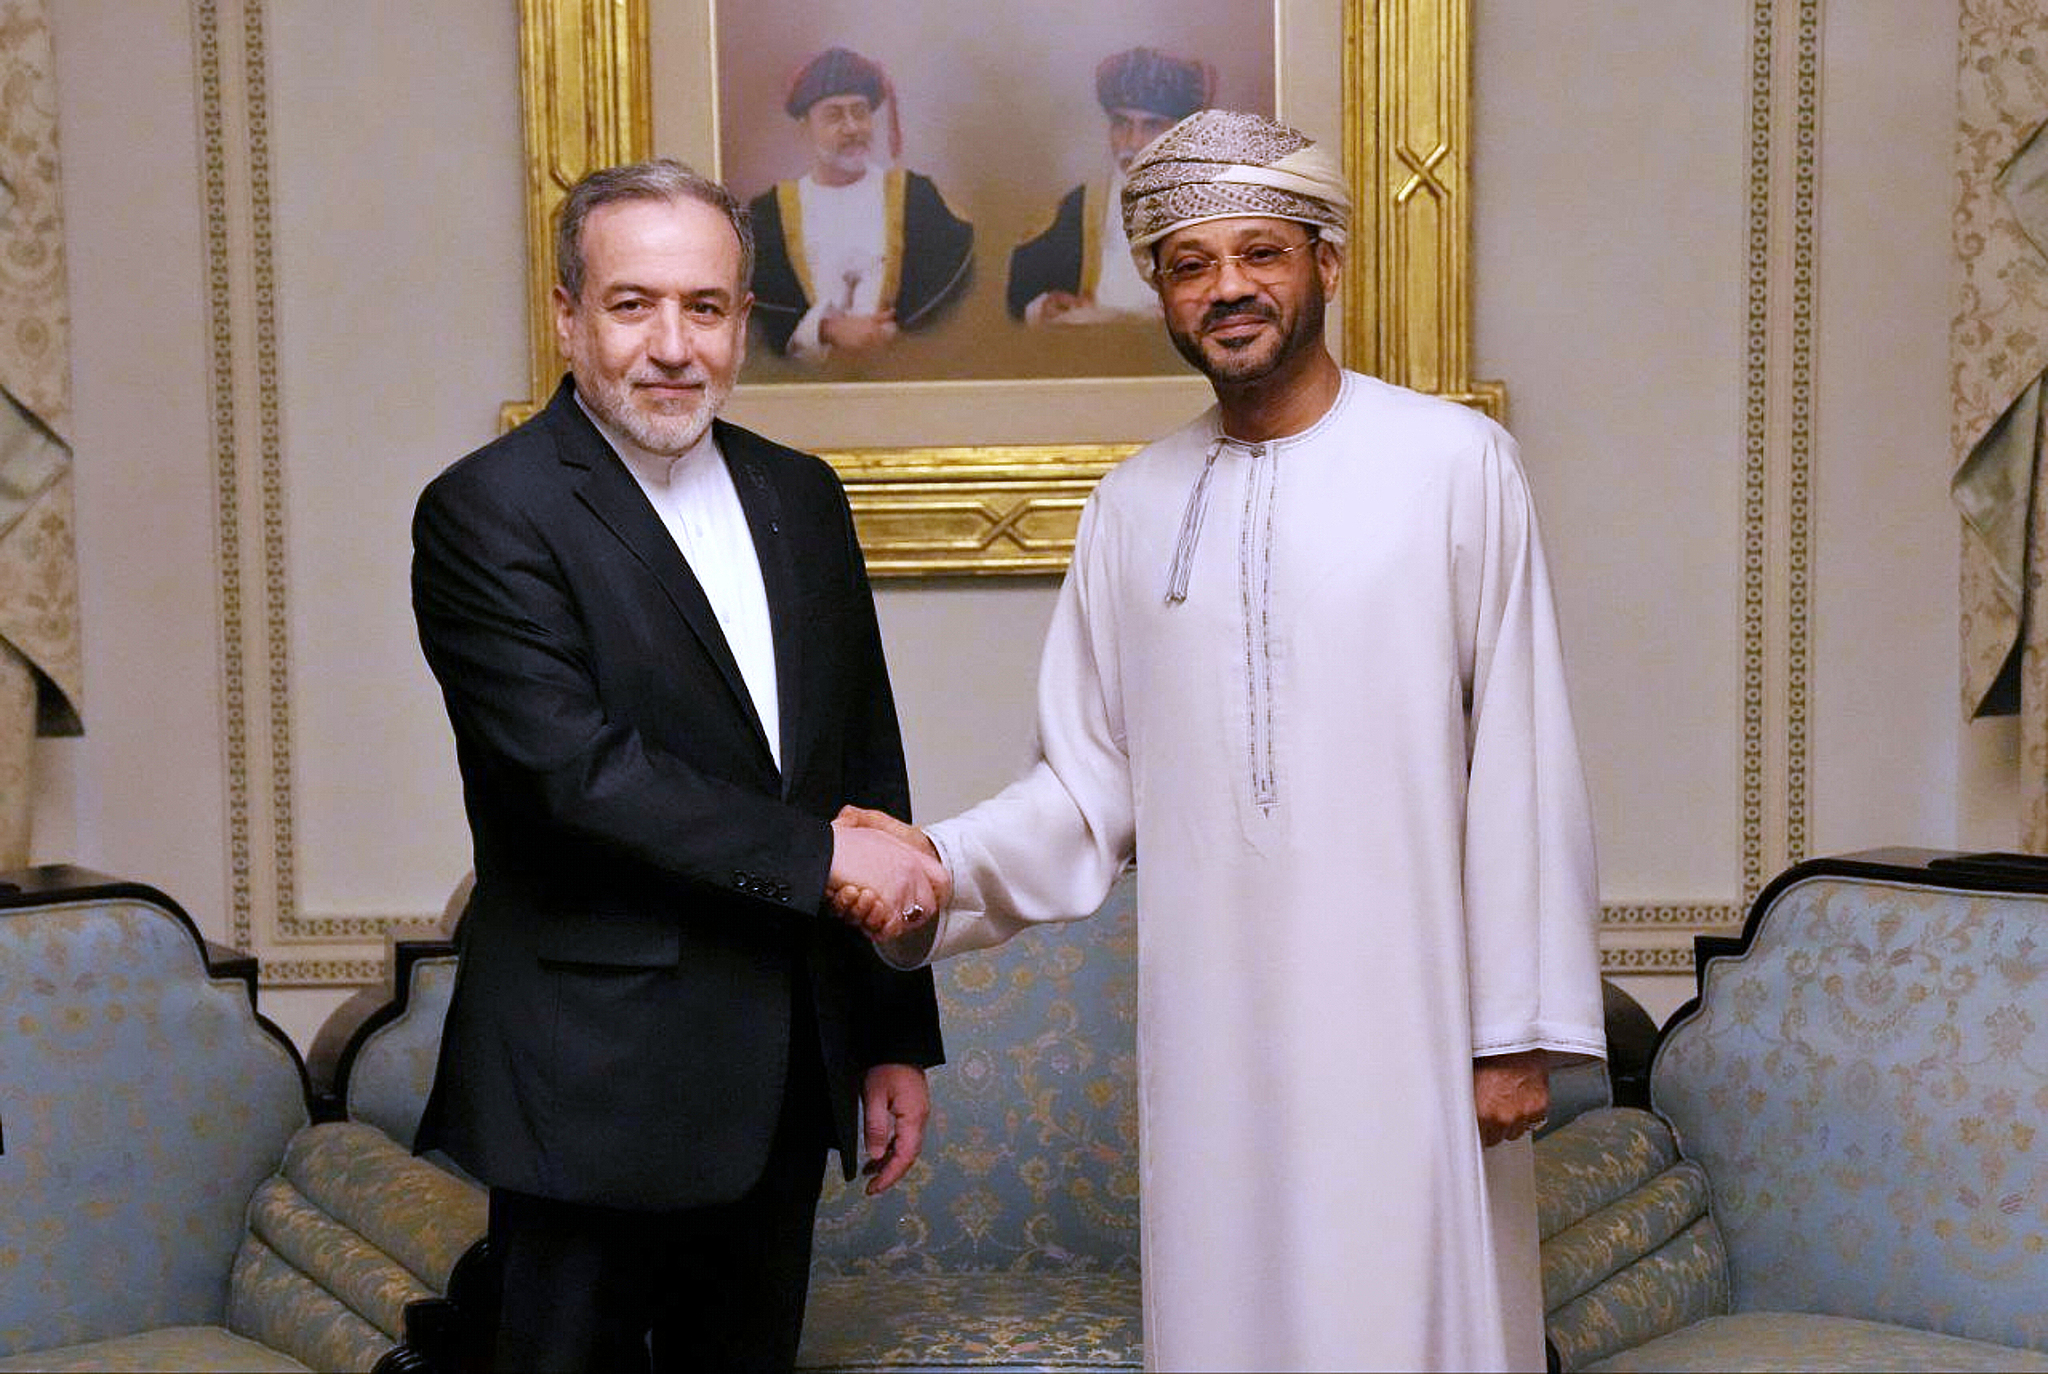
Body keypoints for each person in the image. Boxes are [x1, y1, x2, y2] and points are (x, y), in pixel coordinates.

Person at [837, 110, 1603, 1372]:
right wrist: (933, 864)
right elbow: (1084, 792)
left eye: (1260, 253)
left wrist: (1512, 1033)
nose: (1227, 287)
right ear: (1159, 290)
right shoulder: (1129, 507)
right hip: (1214, 1041)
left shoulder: (1454, 465)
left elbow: (1521, 757)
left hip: (1412, 1025)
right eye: (1190, 264)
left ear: (1325, 264)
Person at [410, 158, 948, 1374]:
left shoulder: (802, 495)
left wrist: (887, 1031)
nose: (671, 346)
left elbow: (862, 762)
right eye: (631, 304)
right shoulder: (486, 510)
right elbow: (573, 774)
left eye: (703, 308)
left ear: (741, 321)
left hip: (785, 1078)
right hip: (589, 1082)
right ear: (566, 315)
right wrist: (824, 858)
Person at [747, 48, 974, 361]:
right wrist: (825, 329)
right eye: (834, 116)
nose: (852, 128)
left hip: (903, 372)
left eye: (860, 112)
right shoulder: (769, 215)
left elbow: (954, 293)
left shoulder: (918, 198)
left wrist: (894, 334)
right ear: (804, 127)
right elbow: (756, 314)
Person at [1006, 46, 1212, 326]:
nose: (1133, 142)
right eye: (1122, 123)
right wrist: (1045, 307)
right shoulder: (1081, 205)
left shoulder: (1215, 208)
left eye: (1151, 126)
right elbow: (1019, 292)